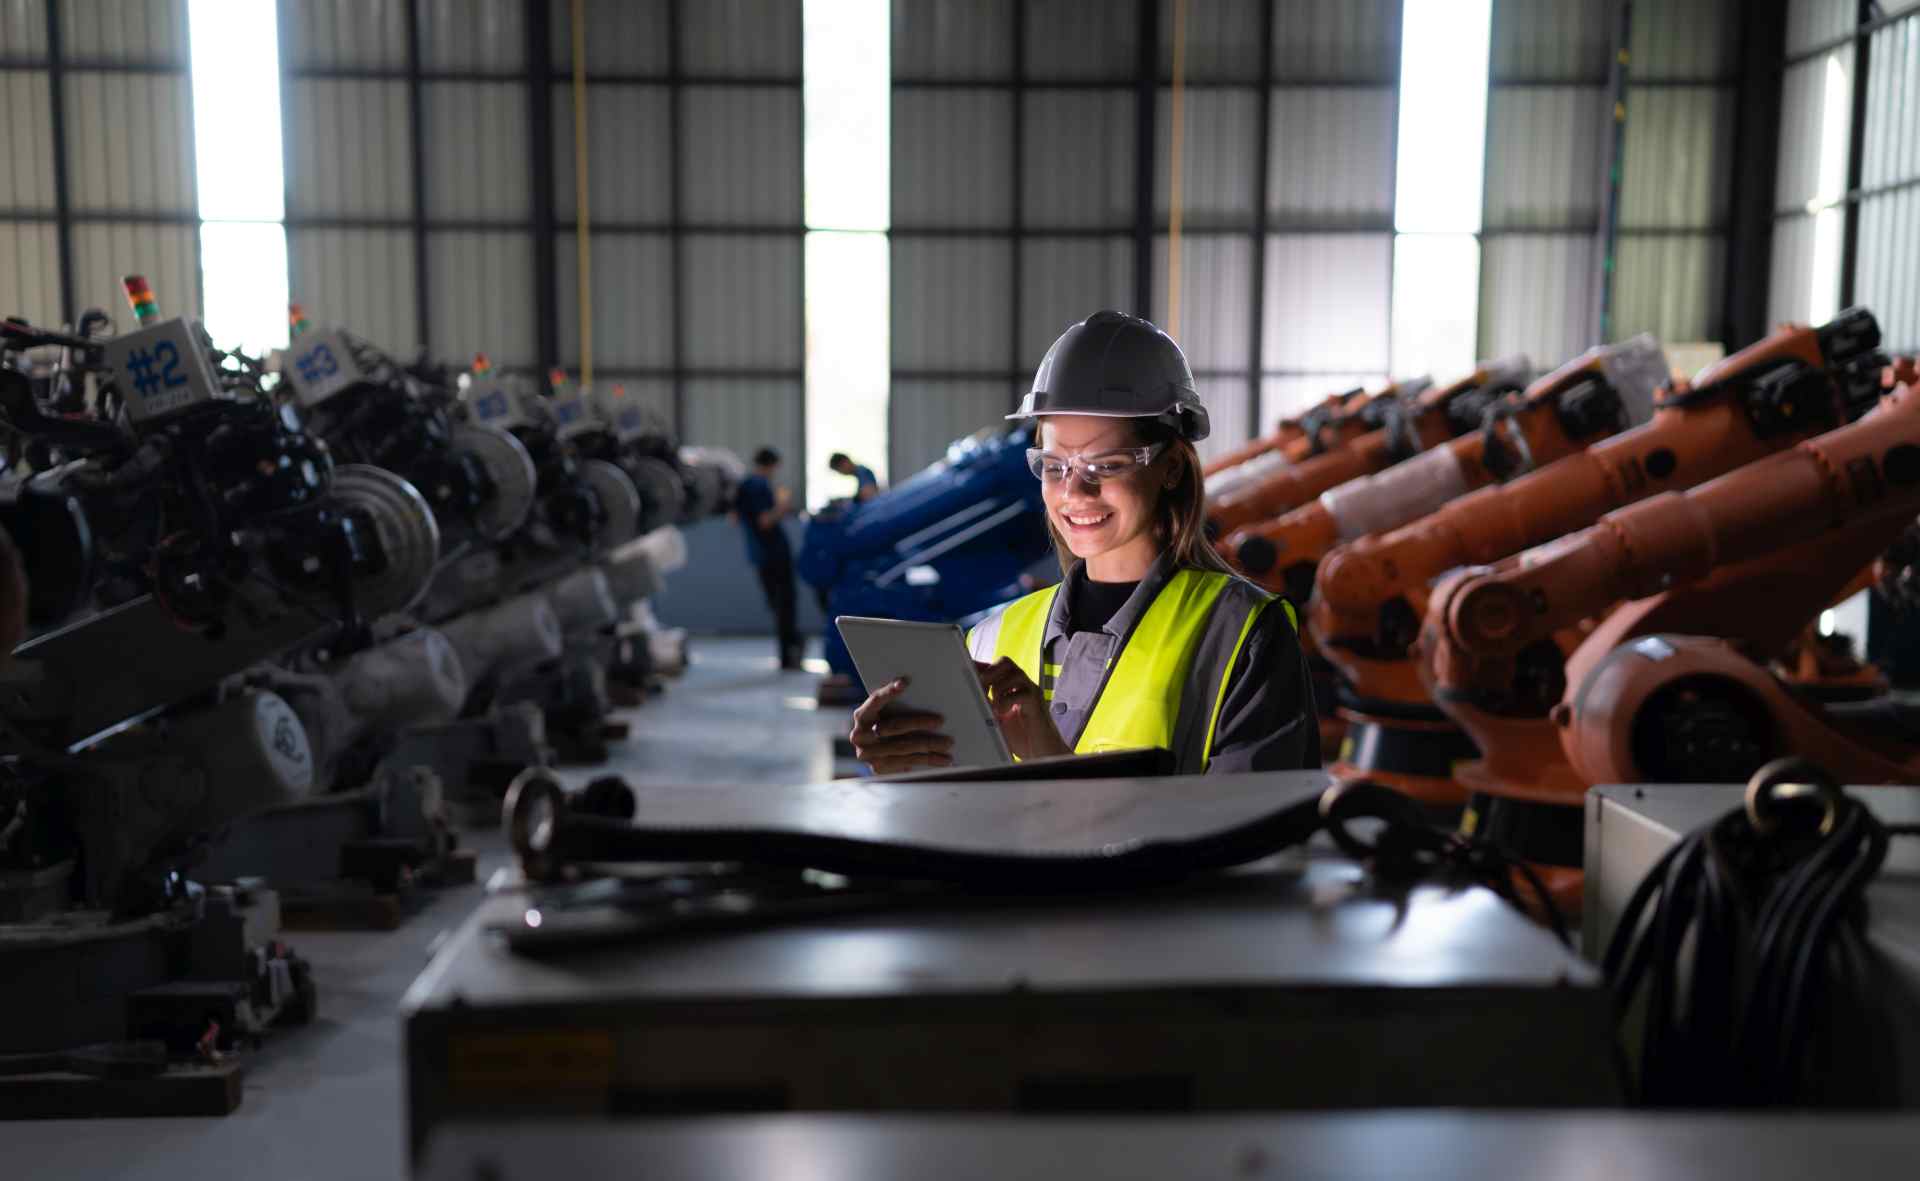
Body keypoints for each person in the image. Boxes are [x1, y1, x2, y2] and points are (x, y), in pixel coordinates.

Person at [850, 310, 1320, 776]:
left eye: (1107, 464)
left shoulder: (1242, 634)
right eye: (1055, 467)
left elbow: (1250, 837)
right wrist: (907, 770)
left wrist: (1049, 761)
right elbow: (962, 823)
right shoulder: (992, 638)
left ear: (1171, 467)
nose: (1074, 492)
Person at [736, 446, 803, 670]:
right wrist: (782, 506)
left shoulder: (745, 485)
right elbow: (765, 520)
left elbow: (735, 517)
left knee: (778, 604)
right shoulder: (758, 486)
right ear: (772, 465)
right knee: (785, 604)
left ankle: (788, 653)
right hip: (773, 554)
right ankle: (788, 655)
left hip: (761, 554)